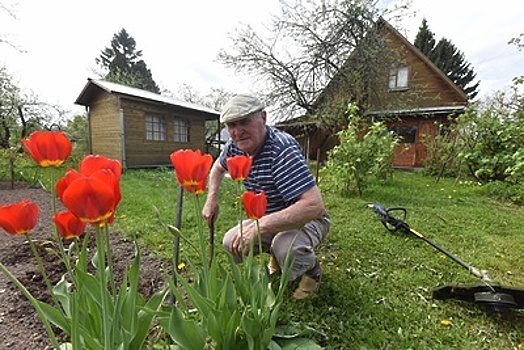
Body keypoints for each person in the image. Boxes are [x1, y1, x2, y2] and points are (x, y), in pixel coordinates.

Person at [202, 94, 330, 299]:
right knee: (230, 242)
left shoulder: (282, 149)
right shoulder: (235, 147)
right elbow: (218, 167)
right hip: (268, 217)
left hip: (307, 219)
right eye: (231, 125)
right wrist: (211, 199)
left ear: (263, 117)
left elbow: (314, 206)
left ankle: (311, 272)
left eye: (244, 121)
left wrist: (261, 226)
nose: (237, 131)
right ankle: (276, 258)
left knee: (286, 247)